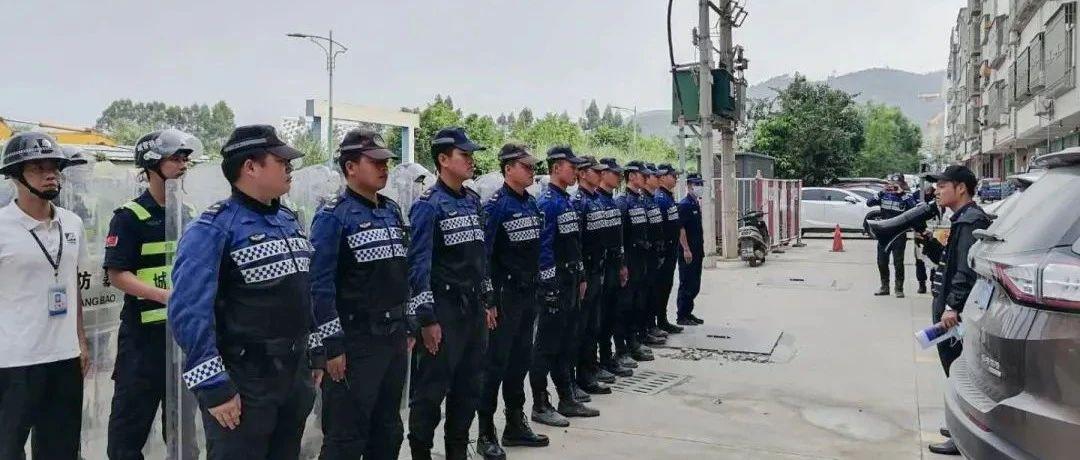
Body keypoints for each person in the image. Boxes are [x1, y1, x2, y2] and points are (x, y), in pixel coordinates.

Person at [168, 125, 321, 459]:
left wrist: (315, 352)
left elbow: (302, 293)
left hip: (293, 376)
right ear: (250, 167)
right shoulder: (213, 228)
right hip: (245, 381)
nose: (289, 167)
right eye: (280, 161)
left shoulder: (287, 220)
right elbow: (189, 313)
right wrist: (213, 386)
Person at [309, 128, 411, 460]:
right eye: (375, 162)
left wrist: (409, 321)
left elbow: (401, 272)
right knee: (346, 435)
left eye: (386, 162)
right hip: (356, 341)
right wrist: (332, 346)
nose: (384, 168)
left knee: (389, 429)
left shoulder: (391, 210)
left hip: (393, 338)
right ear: (351, 167)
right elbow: (319, 286)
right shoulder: (333, 216)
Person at [104, 129, 199, 460]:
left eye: (185, 159)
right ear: (151, 165)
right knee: (127, 435)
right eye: (175, 159)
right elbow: (117, 273)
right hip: (142, 344)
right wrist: (164, 296)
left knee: (183, 434)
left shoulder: (188, 214)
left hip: (181, 338)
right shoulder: (130, 217)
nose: (183, 165)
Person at [406, 127, 497, 460]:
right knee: (431, 392)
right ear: (443, 159)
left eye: (472, 155)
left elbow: (480, 257)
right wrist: (427, 319)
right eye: (464, 155)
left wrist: (488, 300)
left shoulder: (472, 201)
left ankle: (457, 450)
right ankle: (421, 452)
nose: (471, 161)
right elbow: (418, 266)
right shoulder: (429, 206)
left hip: (472, 310)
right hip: (444, 310)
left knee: (469, 387)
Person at [0, 132, 90, 459]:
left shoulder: (73, 223)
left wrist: (80, 340)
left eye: (54, 167)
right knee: (7, 449)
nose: (50, 175)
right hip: (13, 361)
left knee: (61, 450)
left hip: (64, 359)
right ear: (16, 176)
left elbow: (72, 284)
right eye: (39, 168)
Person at [475, 144, 548, 460]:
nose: (532, 171)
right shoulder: (496, 207)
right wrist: (488, 298)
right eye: (526, 166)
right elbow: (484, 256)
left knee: (520, 362)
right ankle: (485, 432)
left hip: (528, 295)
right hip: (504, 298)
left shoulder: (530, 203)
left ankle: (515, 423)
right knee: (495, 365)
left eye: (533, 166)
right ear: (508, 169)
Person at [918, 165, 990, 456]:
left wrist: (952, 307)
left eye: (943, 185)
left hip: (954, 313)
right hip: (947, 305)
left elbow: (965, 270)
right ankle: (957, 423)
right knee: (952, 368)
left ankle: (962, 436)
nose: (937, 191)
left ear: (961, 188)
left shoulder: (970, 221)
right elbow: (948, 263)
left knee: (959, 370)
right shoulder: (961, 220)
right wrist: (928, 242)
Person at [532, 146, 599, 427]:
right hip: (555, 282)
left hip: (571, 280)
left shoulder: (566, 201)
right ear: (556, 168)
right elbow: (544, 248)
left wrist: (581, 276)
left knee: (566, 343)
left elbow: (574, 243)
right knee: (546, 347)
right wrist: (549, 286)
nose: (576, 171)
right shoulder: (547, 202)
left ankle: (566, 397)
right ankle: (540, 404)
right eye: (572, 167)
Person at [570, 155, 617, 397]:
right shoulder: (578, 202)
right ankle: (581, 377)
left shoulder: (596, 201)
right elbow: (576, 243)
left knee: (593, 326)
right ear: (582, 173)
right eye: (595, 171)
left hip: (599, 269)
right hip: (585, 271)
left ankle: (590, 370)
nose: (600, 175)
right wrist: (581, 275)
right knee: (582, 328)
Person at [595, 158, 634, 378]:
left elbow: (618, 239)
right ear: (603, 174)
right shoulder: (597, 201)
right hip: (600, 267)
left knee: (612, 313)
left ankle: (608, 358)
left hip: (614, 265)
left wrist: (622, 264)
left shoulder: (610, 202)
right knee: (599, 319)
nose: (619, 177)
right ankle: (600, 362)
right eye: (615, 173)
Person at [616, 161, 656, 365]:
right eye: (643, 175)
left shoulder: (640, 201)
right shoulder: (623, 203)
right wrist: (622, 264)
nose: (646, 178)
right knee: (625, 305)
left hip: (641, 260)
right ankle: (622, 348)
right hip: (629, 260)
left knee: (638, 303)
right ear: (631, 176)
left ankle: (635, 341)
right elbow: (620, 238)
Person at [866, 174, 918, 298]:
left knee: (898, 262)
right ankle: (884, 287)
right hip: (884, 233)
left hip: (899, 233)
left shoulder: (906, 195)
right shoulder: (884, 194)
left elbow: (914, 208)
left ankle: (899, 288)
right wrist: (881, 192)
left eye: (896, 184)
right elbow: (869, 203)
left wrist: (902, 194)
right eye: (890, 183)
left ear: (901, 184)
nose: (893, 186)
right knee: (881, 261)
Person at [652, 164, 684, 334]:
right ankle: (657, 321)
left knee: (666, 286)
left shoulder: (668, 197)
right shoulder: (659, 198)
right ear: (663, 177)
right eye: (673, 175)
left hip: (671, 250)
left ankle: (662, 320)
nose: (676, 179)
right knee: (660, 288)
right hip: (663, 251)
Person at [639, 163, 668, 346]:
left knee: (653, 294)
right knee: (643, 297)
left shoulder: (653, 200)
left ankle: (651, 326)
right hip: (644, 256)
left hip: (655, 255)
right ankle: (644, 331)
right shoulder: (641, 201)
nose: (658, 179)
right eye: (654, 176)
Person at [676, 174, 706, 326]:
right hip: (688, 252)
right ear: (689, 185)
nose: (700, 187)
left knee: (694, 284)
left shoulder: (695, 203)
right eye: (697, 184)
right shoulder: (684, 205)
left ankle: (688, 312)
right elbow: (681, 229)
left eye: (701, 184)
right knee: (687, 283)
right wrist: (686, 249)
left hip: (697, 250)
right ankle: (682, 315)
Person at [913, 185, 937, 294]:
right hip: (919, 233)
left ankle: (933, 283)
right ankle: (921, 283)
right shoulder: (916, 195)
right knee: (919, 260)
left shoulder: (936, 194)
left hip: (933, 233)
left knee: (934, 259)